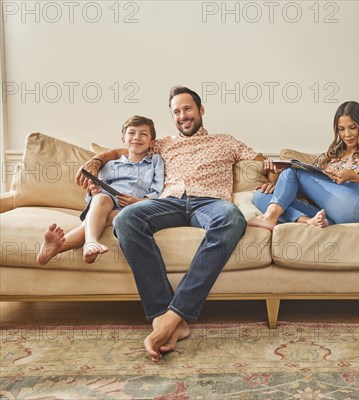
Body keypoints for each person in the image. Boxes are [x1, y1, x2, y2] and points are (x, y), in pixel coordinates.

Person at [76, 86, 271, 363]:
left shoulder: (225, 141)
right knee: (127, 218)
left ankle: (172, 316)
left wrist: (273, 173)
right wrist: (95, 161)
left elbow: (261, 160)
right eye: (176, 112)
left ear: (201, 110)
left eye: (187, 109)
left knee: (232, 218)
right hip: (169, 202)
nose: (183, 116)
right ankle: (162, 315)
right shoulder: (164, 142)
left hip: (210, 202)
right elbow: (125, 147)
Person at [37, 115, 164, 265]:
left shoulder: (155, 162)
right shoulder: (110, 164)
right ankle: (90, 243)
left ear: (152, 142)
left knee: (116, 217)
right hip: (106, 200)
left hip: (131, 206)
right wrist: (94, 190)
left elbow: (158, 190)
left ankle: (56, 248)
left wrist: (138, 202)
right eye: (131, 133)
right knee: (102, 199)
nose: (137, 137)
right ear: (123, 140)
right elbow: (94, 192)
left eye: (143, 134)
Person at [248, 101, 359, 230]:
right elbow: (309, 188)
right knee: (260, 196)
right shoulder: (328, 157)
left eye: (352, 128)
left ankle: (269, 217)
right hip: (333, 212)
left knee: (293, 171)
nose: (347, 134)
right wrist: (279, 186)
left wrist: (356, 177)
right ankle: (310, 221)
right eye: (341, 129)